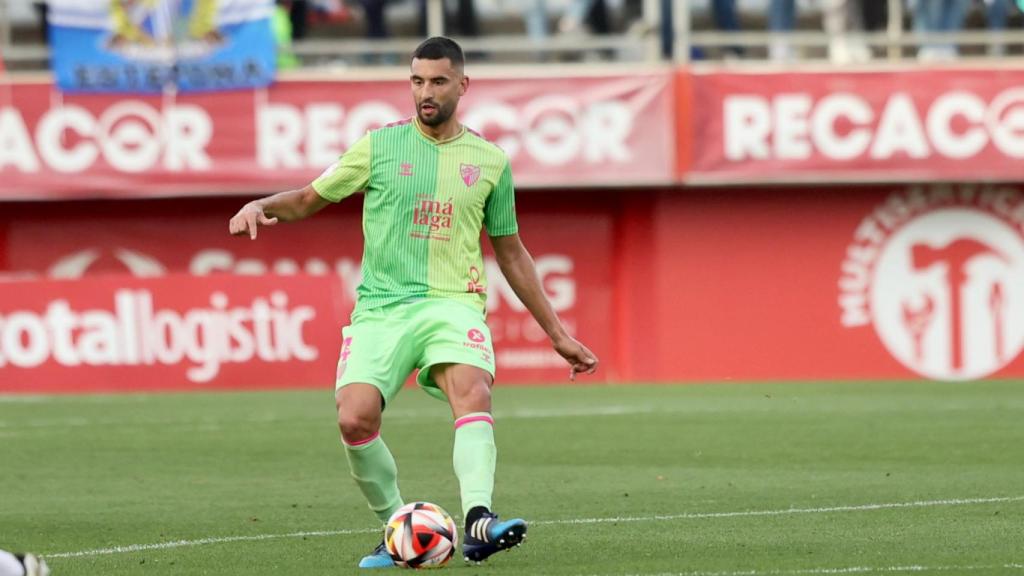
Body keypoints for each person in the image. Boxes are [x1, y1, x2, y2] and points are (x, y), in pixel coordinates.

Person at [228, 36, 599, 569]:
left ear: (463, 86)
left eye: (438, 81)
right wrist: (261, 205)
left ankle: (477, 521)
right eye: (417, 81)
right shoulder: (378, 147)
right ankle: (399, 527)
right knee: (354, 419)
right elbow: (310, 199)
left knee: (472, 390)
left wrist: (558, 335)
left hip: (454, 303)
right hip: (382, 307)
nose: (426, 92)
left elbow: (512, 252)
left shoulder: (490, 161)